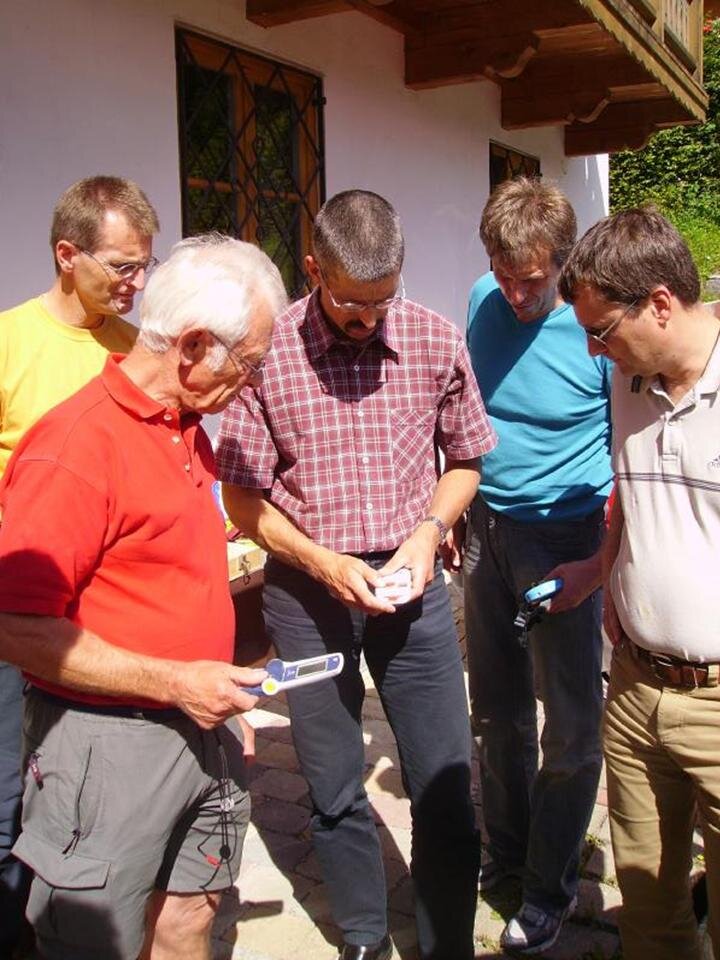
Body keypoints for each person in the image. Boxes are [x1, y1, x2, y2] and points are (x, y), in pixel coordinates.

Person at [216, 189, 497, 960]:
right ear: (314, 271)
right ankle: (365, 939)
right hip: (309, 596)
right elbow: (240, 495)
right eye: (351, 304)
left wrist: (431, 529)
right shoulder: (266, 356)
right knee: (335, 783)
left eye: (383, 301)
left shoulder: (436, 342)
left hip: (413, 596)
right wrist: (319, 560)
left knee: (444, 781)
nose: (370, 319)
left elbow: (467, 457)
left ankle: (448, 945)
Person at [0, 234, 287, 960]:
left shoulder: (186, 427)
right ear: (192, 345)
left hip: (201, 727)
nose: (251, 382)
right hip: (107, 747)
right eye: (248, 362)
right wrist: (174, 682)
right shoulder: (73, 448)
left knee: (190, 917)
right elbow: (14, 627)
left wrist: (213, 704)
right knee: (98, 943)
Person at [0, 174, 159, 957]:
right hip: (23, 611)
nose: (136, 285)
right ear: (68, 255)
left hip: (106, 623)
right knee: (5, 800)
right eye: (121, 268)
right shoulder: (8, 343)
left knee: (75, 800)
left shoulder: (130, 350)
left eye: (144, 268)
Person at [559, 207, 720, 960]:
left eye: (602, 329)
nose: (595, 350)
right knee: (650, 917)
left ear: (661, 301)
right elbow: (631, 498)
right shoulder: (630, 379)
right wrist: (602, 569)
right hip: (632, 690)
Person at [462, 178, 613, 955]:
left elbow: (627, 446)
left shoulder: (593, 328)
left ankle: (550, 886)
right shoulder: (482, 297)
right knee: (496, 712)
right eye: (504, 271)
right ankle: (508, 859)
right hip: (486, 528)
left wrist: (603, 558)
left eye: (534, 279)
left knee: (573, 724)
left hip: (566, 536)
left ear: (564, 264)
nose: (517, 293)